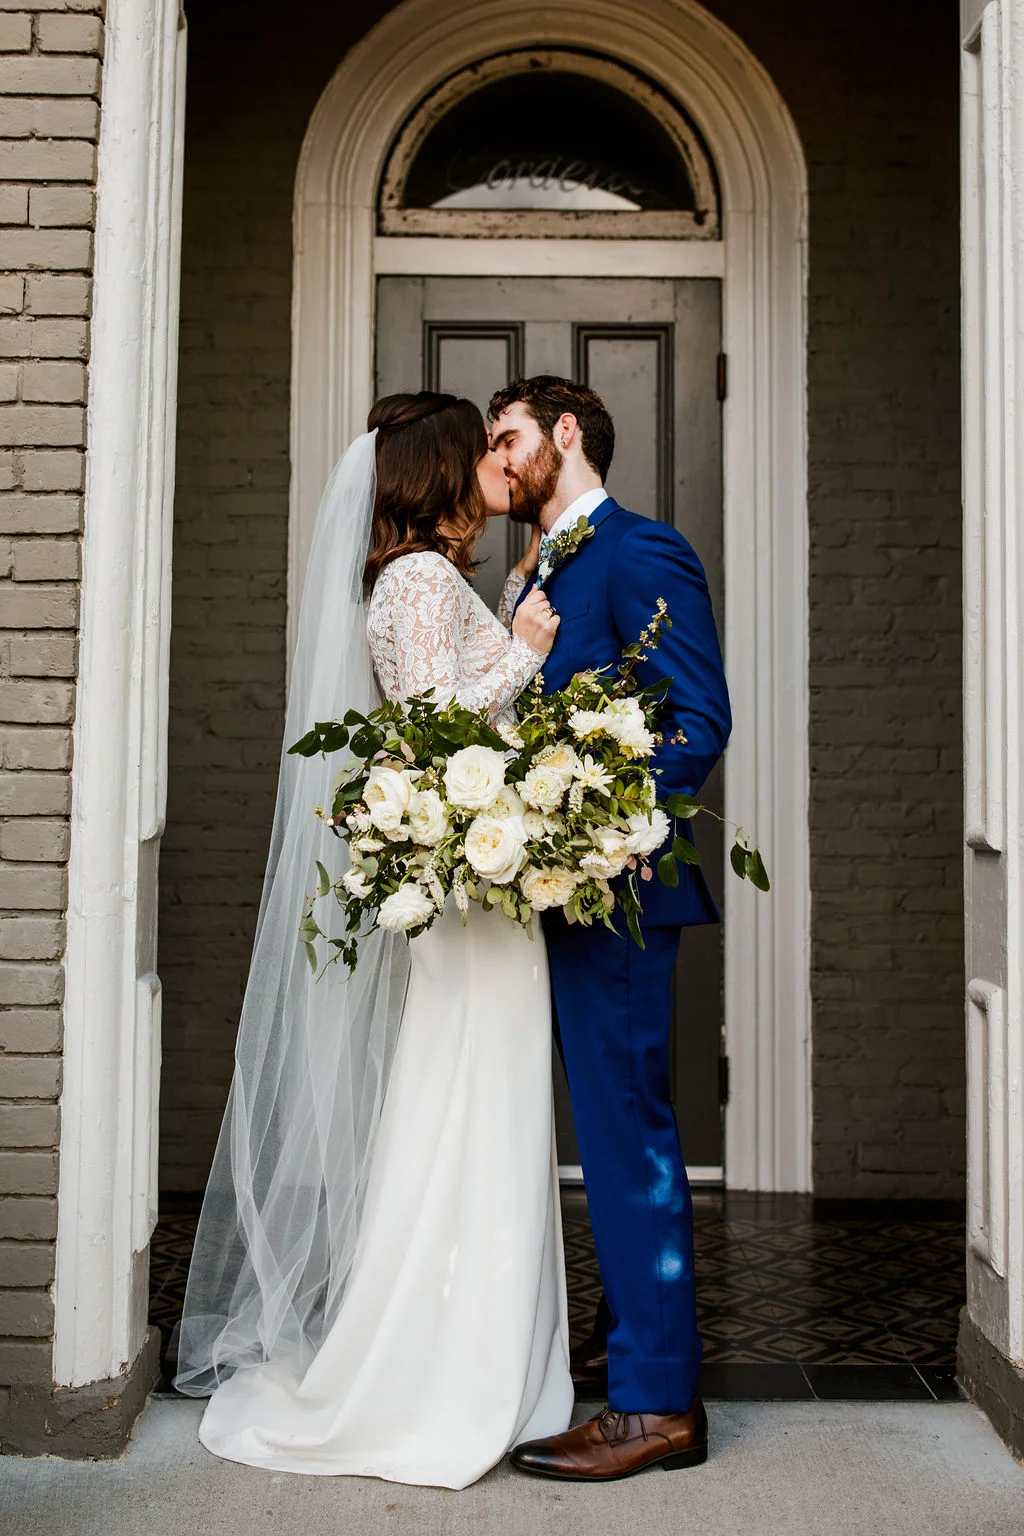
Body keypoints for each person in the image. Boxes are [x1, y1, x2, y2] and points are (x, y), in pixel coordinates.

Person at [173, 392, 573, 1489]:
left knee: (465, 1111)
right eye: (479, 447)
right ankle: (436, 1372)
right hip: (469, 909)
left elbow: (440, 708)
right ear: (441, 470)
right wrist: (525, 651)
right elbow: (435, 733)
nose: (495, 460)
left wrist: (511, 624)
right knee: (465, 1111)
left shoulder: (426, 582)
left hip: (475, 902)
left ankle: (469, 1351)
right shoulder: (413, 581)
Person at [488, 375, 731, 1481]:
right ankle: (634, 1338)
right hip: (550, 895)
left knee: (626, 1136)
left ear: (567, 435)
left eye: (510, 437)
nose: (496, 461)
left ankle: (653, 1405)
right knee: (599, 1130)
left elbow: (697, 717)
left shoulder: (639, 551)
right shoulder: (535, 569)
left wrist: (609, 828)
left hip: (619, 892)